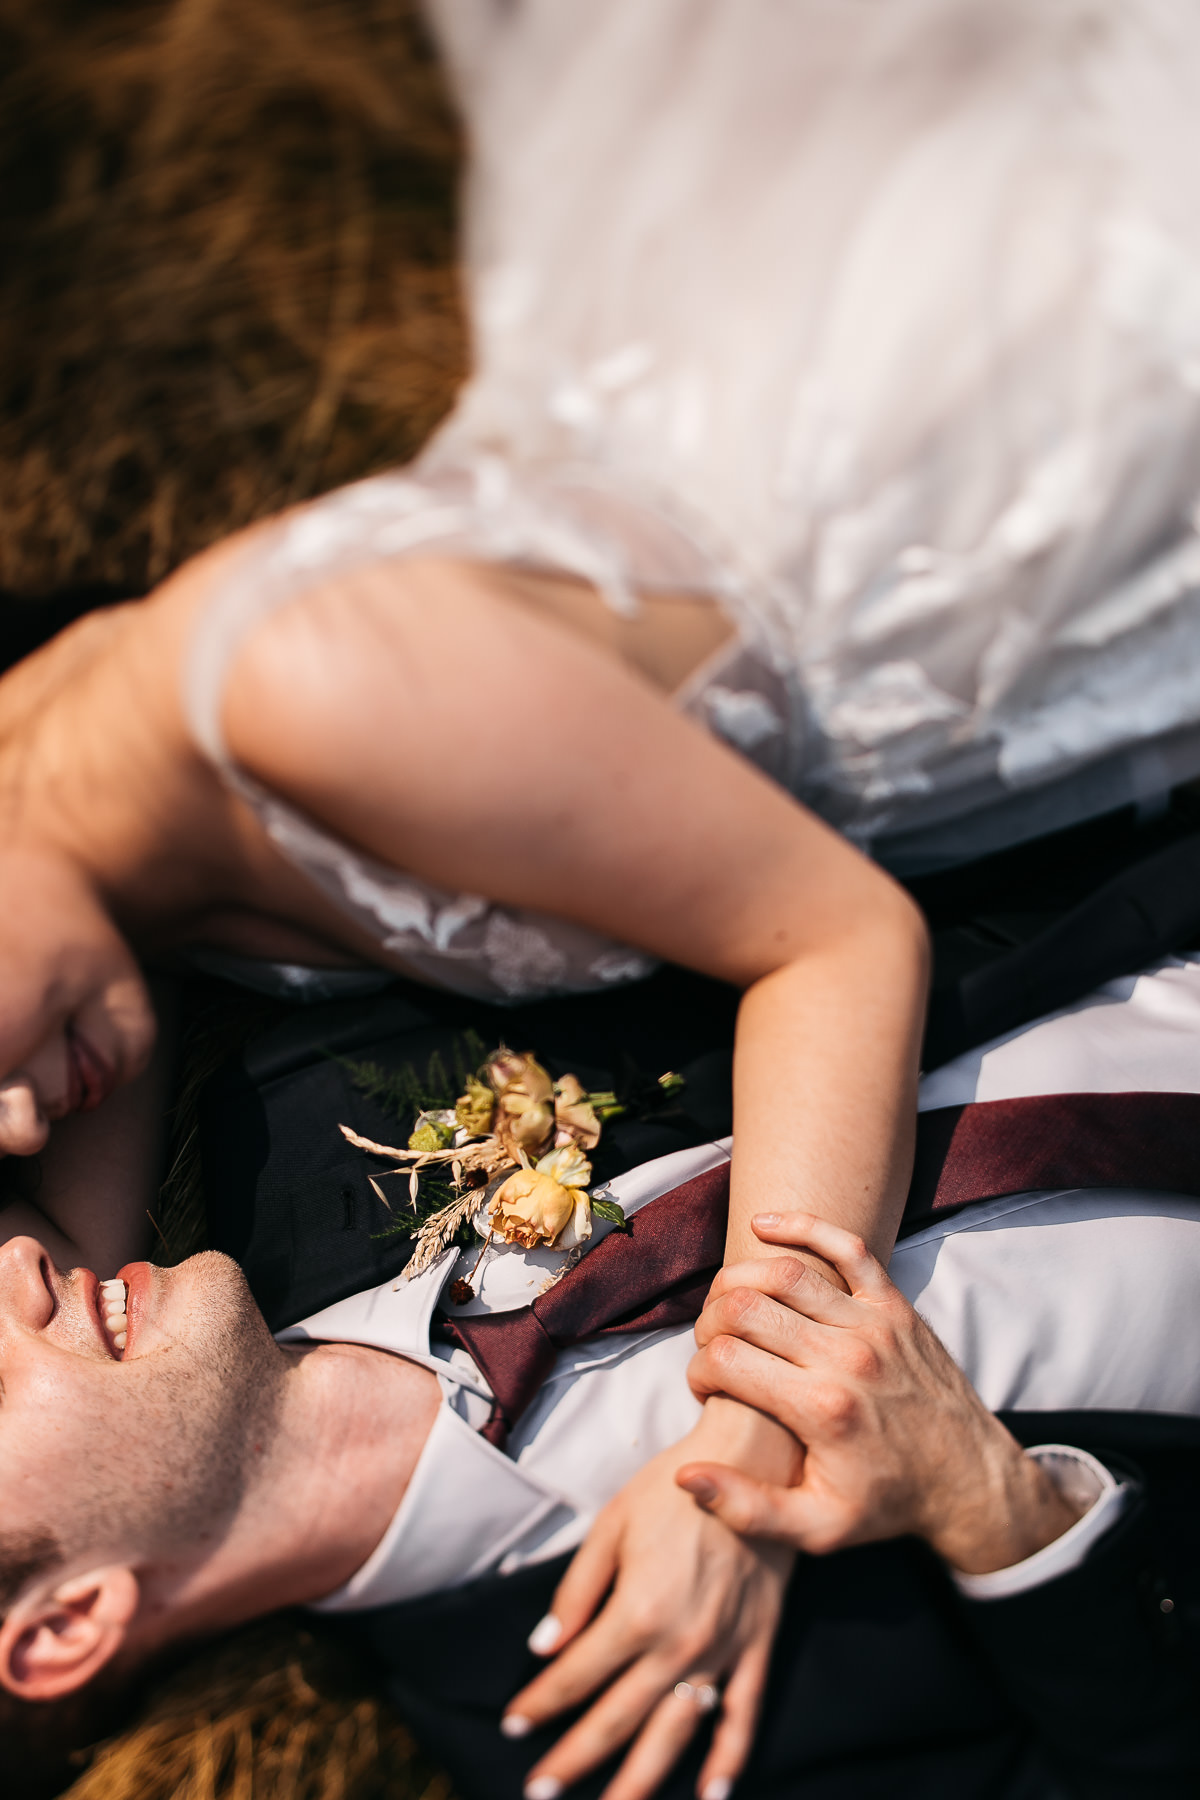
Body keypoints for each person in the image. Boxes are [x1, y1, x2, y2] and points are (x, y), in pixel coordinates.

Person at [3, 951, 1199, 1800]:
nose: (13, 1267)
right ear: (65, 1625)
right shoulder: (603, 1752)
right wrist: (999, 1514)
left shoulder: (298, 1110)